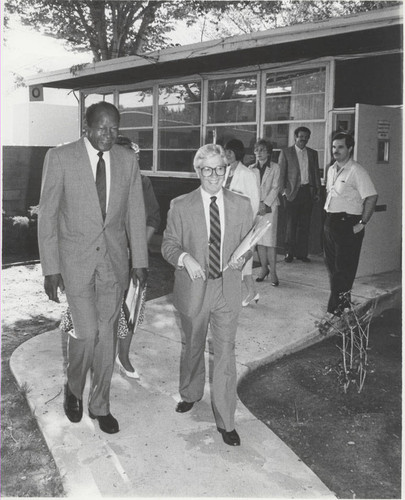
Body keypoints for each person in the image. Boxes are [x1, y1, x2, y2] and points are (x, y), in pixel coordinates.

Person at [38, 102, 148, 434]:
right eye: (102, 127)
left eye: (114, 128)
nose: (108, 134)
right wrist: (50, 267)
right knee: (86, 333)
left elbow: (135, 213)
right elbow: (48, 214)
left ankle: (100, 406)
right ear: (86, 127)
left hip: (113, 262)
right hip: (75, 261)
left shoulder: (127, 160)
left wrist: (139, 261)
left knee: (107, 336)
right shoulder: (60, 158)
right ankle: (74, 389)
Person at [161, 144, 253, 447]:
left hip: (226, 288)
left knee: (226, 354)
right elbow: (168, 245)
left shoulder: (241, 205)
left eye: (220, 168)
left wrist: (242, 258)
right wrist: (185, 258)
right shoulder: (180, 205)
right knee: (193, 345)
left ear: (227, 170)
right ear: (198, 171)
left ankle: (227, 420)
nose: (215, 175)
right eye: (208, 169)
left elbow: (247, 243)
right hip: (194, 286)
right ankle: (190, 392)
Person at [59, 136, 160, 380]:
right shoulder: (93, 178)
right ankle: (85, 363)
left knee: (129, 310)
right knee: (87, 318)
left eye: (132, 158)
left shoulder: (142, 182)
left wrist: (136, 252)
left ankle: (123, 357)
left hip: (126, 258)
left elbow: (152, 219)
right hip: (92, 259)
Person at [323, 132, 378, 317]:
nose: (335, 150)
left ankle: (335, 309)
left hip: (348, 222)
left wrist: (362, 222)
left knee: (344, 268)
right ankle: (344, 304)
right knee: (333, 268)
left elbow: (371, 196)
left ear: (350, 148)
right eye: (333, 147)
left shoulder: (357, 171)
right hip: (331, 222)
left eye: (340, 147)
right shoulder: (331, 169)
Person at [223, 139, 260, 306]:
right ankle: (252, 292)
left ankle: (231, 297)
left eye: (230, 151)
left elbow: (254, 202)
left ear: (237, 152)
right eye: (226, 151)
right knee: (239, 263)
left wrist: (248, 227)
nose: (227, 154)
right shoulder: (225, 172)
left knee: (239, 261)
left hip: (242, 225)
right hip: (226, 223)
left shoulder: (248, 174)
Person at [279, 126, 321, 263]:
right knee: (291, 224)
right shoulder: (286, 152)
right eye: (301, 136)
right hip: (292, 193)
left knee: (305, 224)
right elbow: (281, 174)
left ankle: (302, 254)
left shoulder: (313, 153)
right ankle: (288, 253)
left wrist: (317, 191)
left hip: (307, 191)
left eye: (306, 137)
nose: (304, 139)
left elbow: (315, 174)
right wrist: (284, 192)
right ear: (295, 137)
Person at [249, 139, 281, 286]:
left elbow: (276, 187)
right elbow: (250, 189)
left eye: (262, 150)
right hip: (256, 209)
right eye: (257, 150)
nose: (259, 153)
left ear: (268, 152)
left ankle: (273, 272)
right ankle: (263, 270)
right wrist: (257, 204)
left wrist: (265, 203)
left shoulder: (275, 168)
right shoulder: (251, 168)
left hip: (270, 208)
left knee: (270, 243)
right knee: (260, 242)